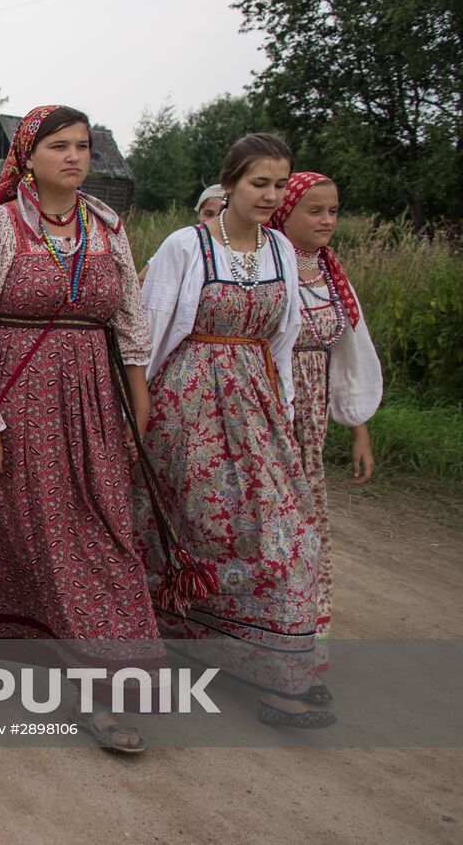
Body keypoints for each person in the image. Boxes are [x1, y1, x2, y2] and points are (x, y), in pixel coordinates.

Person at [0, 106, 162, 753]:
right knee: (26, 538)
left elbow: (132, 328)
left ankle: (105, 687)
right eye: (59, 145)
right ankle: (3, 677)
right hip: (15, 402)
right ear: (27, 157)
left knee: (103, 536)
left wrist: (136, 408)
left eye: (83, 145)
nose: (74, 156)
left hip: (90, 405)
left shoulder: (108, 226)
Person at [139, 133, 329, 728]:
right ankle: (182, 642)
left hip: (257, 409)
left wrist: (286, 415)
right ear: (229, 185)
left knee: (286, 534)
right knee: (193, 532)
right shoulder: (186, 246)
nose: (271, 195)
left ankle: (280, 665)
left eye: (279, 184)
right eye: (259, 183)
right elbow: (146, 335)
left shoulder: (280, 251)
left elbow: (284, 337)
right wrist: (139, 417)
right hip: (187, 410)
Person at [267, 172, 381, 690]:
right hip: (264, 402)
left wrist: (359, 428)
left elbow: (353, 353)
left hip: (311, 420)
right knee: (268, 519)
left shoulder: (333, 277)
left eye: (333, 210)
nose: (328, 220)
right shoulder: (266, 266)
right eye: (315, 210)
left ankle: (301, 644)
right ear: (284, 212)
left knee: (305, 523)